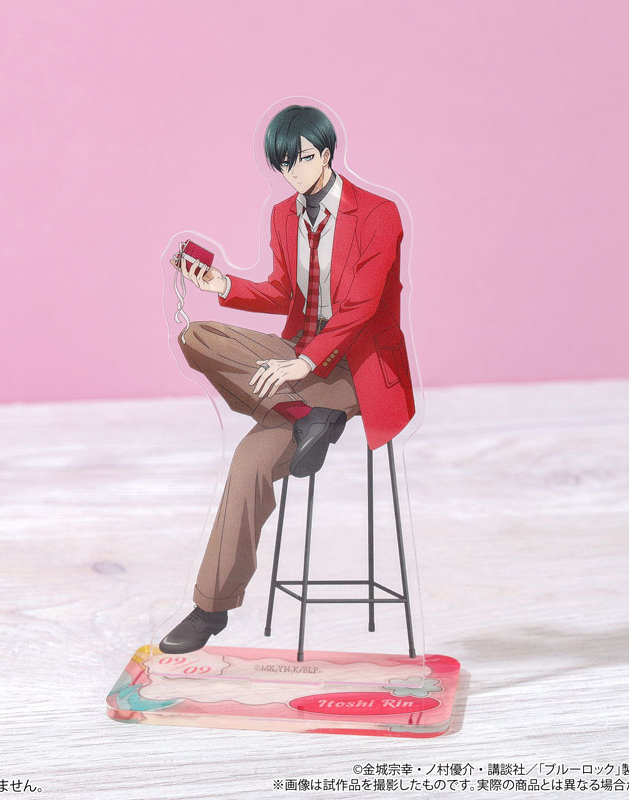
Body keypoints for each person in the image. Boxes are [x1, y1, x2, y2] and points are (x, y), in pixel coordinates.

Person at [159, 105, 415, 653]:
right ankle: (211, 610)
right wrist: (223, 284)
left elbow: (362, 307)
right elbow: (284, 293)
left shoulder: (379, 214)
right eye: (283, 164)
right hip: (297, 366)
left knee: (253, 444)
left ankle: (310, 409)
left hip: (354, 369)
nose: (293, 172)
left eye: (301, 159)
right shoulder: (283, 216)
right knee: (200, 340)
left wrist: (305, 364)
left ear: (326, 152)